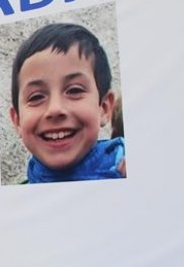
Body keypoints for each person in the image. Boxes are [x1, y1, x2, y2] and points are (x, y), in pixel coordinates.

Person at [8, 23, 126, 183]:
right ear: (17, 121)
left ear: (104, 108)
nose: (55, 109)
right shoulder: (11, 203)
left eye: (75, 90)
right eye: (36, 97)